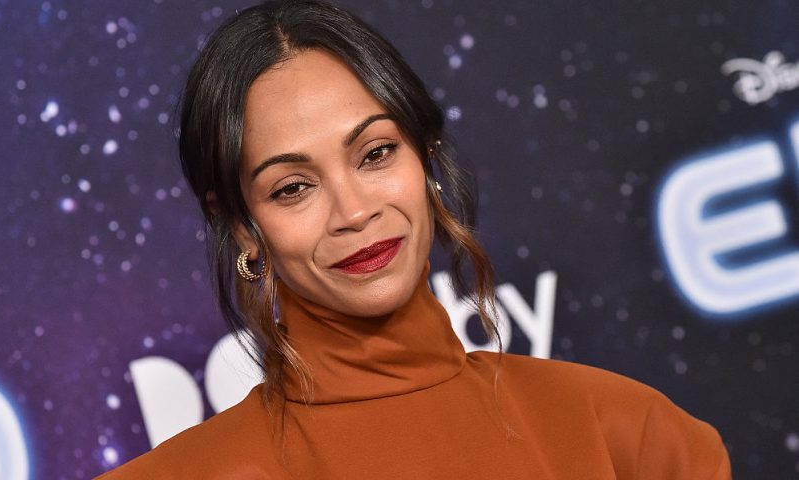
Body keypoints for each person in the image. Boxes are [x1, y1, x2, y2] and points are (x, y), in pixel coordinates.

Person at [98, 1, 731, 478]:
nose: (353, 211)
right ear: (241, 224)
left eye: (375, 153)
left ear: (423, 158)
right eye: (293, 187)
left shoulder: (629, 436)